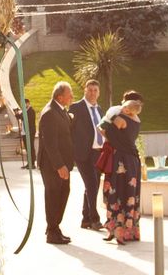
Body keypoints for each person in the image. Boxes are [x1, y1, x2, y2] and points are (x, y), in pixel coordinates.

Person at [100, 99, 143, 245]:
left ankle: (117, 232)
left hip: (121, 161)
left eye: (125, 107)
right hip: (133, 161)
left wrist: (103, 126)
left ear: (129, 111)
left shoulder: (121, 119)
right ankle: (128, 231)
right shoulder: (137, 120)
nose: (121, 108)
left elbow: (107, 133)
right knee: (129, 194)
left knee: (116, 192)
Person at [37, 81, 74, 244]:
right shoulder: (50, 113)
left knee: (62, 194)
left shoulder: (61, 111)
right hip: (53, 165)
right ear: (60, 97)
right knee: (53, 196)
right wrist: (60, 166)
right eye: (70, 94)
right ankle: (52, 232)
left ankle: (54, 227)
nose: (72, 97)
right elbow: (50, 144)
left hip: (63, 163)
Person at [70, 80, 105, 231]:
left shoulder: (100, 110)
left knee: (93, 186)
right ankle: (95, 219)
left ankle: (85, 219)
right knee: (91, 184)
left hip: (98, 153)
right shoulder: (76, 108)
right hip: (83, 154)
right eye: (90, 90)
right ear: (85, 91)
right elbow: (68, 130)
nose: (92, 93)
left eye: (95, 90)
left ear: (99, 92)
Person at [15, 99, 36, 169]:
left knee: (30, 148)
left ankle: (32, 163)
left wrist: (20, 115)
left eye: (24, 104)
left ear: (28, 103)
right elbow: (19, 117)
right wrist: (16, 112)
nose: (22, 105)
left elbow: (26, 119)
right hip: (24, 132)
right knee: (27, 148)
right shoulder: (25, 111)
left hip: (30, 132)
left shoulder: (31, 111)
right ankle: (29, 163)